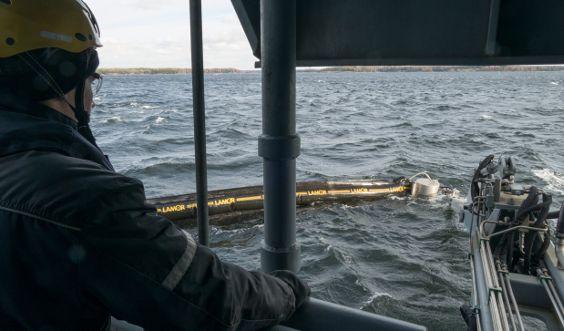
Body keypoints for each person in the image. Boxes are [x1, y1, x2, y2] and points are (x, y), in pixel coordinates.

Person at [0, 1, 309, 330]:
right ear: (53, 75)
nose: (91, 98)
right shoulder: (83, 199)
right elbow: (211, 298)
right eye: (90, 80)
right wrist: (289, 289)